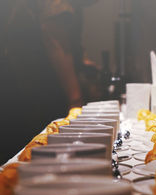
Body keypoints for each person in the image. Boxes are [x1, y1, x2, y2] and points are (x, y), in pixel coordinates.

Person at [0, 0, 100, 164]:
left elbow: (66, 42)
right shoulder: (57, 4)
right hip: (33, 87)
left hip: (32, 83)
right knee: (34, 155)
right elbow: (56, 44)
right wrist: (76, 100)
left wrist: (82, 61)